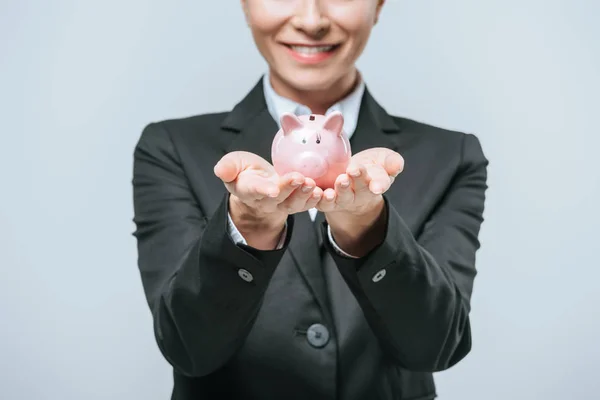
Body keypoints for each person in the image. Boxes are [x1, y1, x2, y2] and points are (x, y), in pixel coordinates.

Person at [131, 0, 489, 399]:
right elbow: (187, 347)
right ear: (245, 5)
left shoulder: (449, 156)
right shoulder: (172, 149)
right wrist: (248, 229)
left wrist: (367, 230)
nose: (311, 20)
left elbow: (436, 346)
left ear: (379, 5)